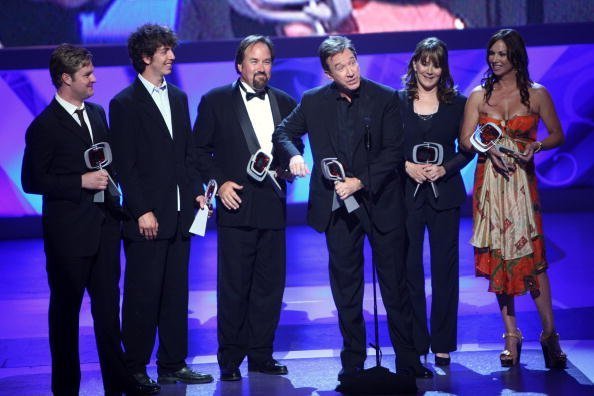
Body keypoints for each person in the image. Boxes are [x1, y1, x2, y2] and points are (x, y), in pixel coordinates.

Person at [272, 35, 432, 380]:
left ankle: (408, 359)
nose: (350, 71)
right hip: (338, 207)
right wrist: (296, 154)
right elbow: (283, 132)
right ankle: (353, 360)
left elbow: (393, 152)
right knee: (346, 287)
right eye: (340, 67)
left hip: (381, 203)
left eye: (352, 62)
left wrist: (360, 181)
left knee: (395, 284)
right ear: (328, 73)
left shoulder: (384, 97)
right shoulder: (313, 101)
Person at [20, 43, 158, 395]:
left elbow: (107, 161)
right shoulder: (44, 126)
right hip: (68, 237)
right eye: (87, 75)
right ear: (65, 79)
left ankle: (118, 381)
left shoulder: (96, 113)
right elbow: (32, 180)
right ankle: (66, 388)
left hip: (105, 229)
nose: (94, 79)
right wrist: (78, 181)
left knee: (109, 314)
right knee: (65, 316)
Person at [109, 23, 213, 389]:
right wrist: (141, 210)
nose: (171, 55)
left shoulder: (180, 98)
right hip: (147, 219)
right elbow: (125, 165)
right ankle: (134, 367)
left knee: (174, 295)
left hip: (180, 216)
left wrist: (198, 192)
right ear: (145, 56)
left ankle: (172, 363)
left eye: (171, 48)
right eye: (164, 50)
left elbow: (186, 157)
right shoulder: (124, 104)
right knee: (141, 295)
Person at [194, 35, 298, 381]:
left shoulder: (285, 102)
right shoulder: (215, 101)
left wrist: (287, 168)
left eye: (266, 61)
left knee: (270, 287)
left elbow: (291, 148)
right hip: (236, 207)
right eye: (254, 61)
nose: (261, 68)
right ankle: (230, 360)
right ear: (240, 65)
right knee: (235, 287)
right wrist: (220, 184)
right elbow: (198, 153)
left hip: (272, 207)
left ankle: (261, 354)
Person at [460, 28, 567, 369]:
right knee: (499, 259)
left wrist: (534, 146)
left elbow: (557, 134)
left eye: (502, 53)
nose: (495, 59)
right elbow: (465, 140)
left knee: (533, 259)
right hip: (490, 185)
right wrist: (489, 151)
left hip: (522, 183)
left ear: (516, 56)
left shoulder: (537, 94)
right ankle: (511, 336)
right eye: (492, 53)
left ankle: (550, 334)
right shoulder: (479, 95)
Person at [399, 37, 473, 367]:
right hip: (407, 196)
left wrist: (445, 168)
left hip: (445, 197)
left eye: (436, 63)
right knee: (409, 269)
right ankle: (416, 340)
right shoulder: (396, 102)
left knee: (445, 270)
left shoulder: (459, 104)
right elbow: (387, 146)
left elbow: (468, 148)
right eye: (424, 62)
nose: (430, 69)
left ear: (443, 69)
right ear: (414, 63)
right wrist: (407, 166)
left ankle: (442, 342)